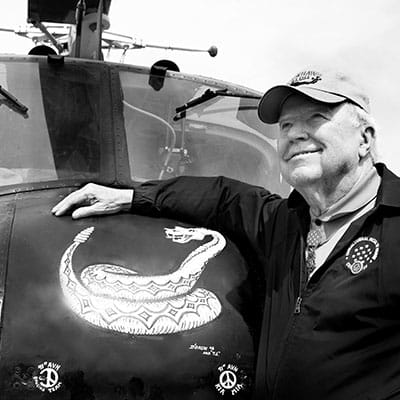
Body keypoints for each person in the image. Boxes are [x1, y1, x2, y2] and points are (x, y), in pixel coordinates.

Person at [52, 68, 400, 400]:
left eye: (316, 120)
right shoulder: (287, 222)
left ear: (365, 139)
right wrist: (131, 196)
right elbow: (223, 197)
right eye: (286, 125)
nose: (295, 134)